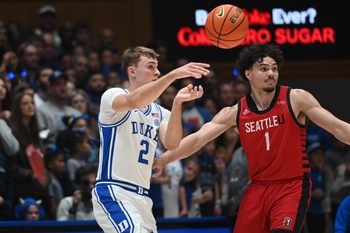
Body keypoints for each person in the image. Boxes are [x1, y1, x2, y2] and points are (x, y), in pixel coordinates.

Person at [153, 43, 350, 233]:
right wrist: (164, 159)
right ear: (248, 74)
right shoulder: (235, 112)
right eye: (263, 68)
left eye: (274, 68)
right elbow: (197, 140)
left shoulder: (295, 99)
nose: (271, 73)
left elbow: (336, 126)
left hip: (292, 186)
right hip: (257, 188)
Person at [91, 46, 210, 233]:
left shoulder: (159, 112)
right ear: (132, 71)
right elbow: (134, 102)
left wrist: (177, 103)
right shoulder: (112, 95)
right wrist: (173, 75)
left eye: (157, 67)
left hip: (142, 198)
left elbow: (172, 144)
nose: (157, 72)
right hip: (114, 191)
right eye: (150, 66)